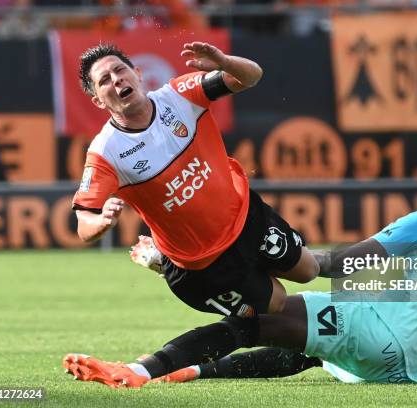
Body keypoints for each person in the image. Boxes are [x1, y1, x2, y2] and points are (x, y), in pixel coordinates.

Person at [64, 190, 417, 387]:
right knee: (313, 347)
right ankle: (193, 371)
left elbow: (343, 264)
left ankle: (140, 370)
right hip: (406, 374)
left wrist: (290, 261)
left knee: (256, 320)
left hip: (380, 337)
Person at [72, 42, 319, 322]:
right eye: (104, 80)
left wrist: (224, 61)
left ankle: (357, 281)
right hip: (201, 264)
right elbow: (83, 222)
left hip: (244, 216)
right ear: (99, 101)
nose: (116, 79)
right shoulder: (106, 152)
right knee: (276, 302)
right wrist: (102, 222)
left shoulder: (180, 94)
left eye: (119, 70)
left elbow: (252, 76)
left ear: (138, 73)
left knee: (307, 270)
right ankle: (165, 260)